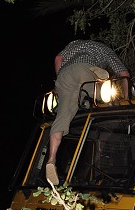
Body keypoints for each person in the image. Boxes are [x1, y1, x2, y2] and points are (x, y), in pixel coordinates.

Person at [46, 39, 130, 185]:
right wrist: (127, 99)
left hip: (65, 75)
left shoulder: (76, 43)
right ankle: (101, 76)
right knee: (108, 100)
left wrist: (59, 81)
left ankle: (51, 159)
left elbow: (58, 58)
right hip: (86, 71)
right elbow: (124, 74)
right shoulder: (105, 49)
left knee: (62, 117)